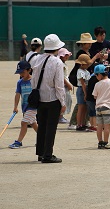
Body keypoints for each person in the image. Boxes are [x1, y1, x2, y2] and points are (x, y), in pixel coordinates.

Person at [32, 34, 67, 163]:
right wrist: (63, 102)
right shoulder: (57, 61)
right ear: (57, 48)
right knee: (51, 127)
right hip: (53, 99)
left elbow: (34, 80)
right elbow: (59, 85)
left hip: (40, 98)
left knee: (42, 126)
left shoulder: (37, 59)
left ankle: (40, 153)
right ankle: (48, 155)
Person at [9, 61, 38, 149]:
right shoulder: (20, 82)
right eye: (20, 73)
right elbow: (17, 94)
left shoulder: (34, 81)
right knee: (33, 123)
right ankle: (42, 139)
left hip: (33, 106)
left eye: (23, 72)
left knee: (24, 122)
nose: (21, 74)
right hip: (25, 107)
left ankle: (18, 142)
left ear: (29, 70)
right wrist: (15, 106)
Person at [92, 64, 110, 149]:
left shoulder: (97, 84)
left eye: (96, 75)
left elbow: (95, 96)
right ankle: (105, 142)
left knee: (99, 126)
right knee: (107, 126)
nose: (96, 77)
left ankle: (100, 143)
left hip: (98, 107)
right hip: (108, 107)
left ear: (100, 74)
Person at [75, 54, 92, 131]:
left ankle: (83, 123)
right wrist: (85, 94)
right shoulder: (80, 71)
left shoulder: (86, 71)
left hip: (85, 89)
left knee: (85, 108)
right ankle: (79, 124)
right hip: (82, 90)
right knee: (81, 108)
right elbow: (83, 83)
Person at [57, 48, 73, 124]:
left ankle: (61, 116)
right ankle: (60, 117)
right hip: (63, 86)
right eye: (65, 55)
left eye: (67, 55)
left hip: (64, 85)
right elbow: (61, 77)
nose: (67, 56)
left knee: (66, 100)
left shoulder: (63, 64)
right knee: (64, 101)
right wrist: (68, 84)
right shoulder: (60, 64)